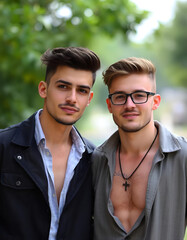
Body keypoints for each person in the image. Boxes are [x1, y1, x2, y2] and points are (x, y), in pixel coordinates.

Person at [0, 47, 100, 240]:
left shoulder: (94, 159)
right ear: (43, 89)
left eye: (82, 90)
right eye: (63, 87)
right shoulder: (4, 146)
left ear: (89, 99)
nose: (72, 98)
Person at [92, 57, 187, 240]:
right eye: (120, 96)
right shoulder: (96, 160)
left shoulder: (182, 157)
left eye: (139, 95)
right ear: (110, 105)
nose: (130, 105)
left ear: (155, 101)